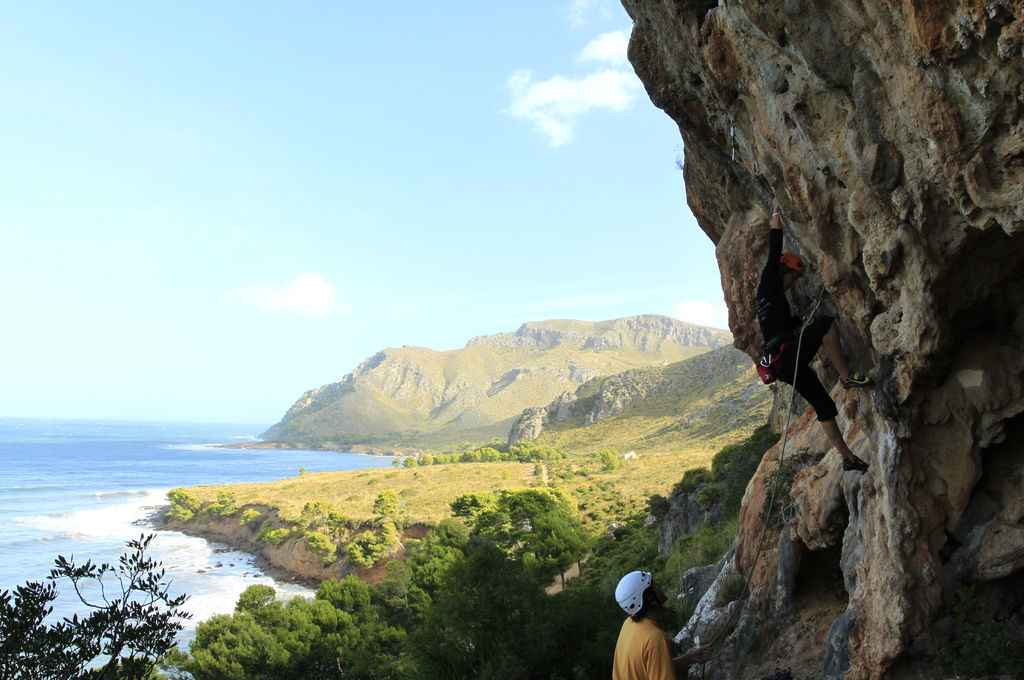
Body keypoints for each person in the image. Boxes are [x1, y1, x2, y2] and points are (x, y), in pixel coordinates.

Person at [756, 198, 873, 472]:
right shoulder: (769, 285)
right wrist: (776, 212)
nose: (793, 283)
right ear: (783, 271)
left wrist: (800, 319)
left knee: (823, 405)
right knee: (826, 324)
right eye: (792, 278)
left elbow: (784, 325)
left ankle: (848, 458)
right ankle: (846, 377)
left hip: (783, 363)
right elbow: (774, 250)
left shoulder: (770, 302)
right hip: (786, 356)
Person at [613, 571, 713, 679]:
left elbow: (650, 668)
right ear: (651, 600)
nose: (659, 585)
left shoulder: (629, 625)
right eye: (654, 585)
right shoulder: (654, 639)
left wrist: (689, 658)